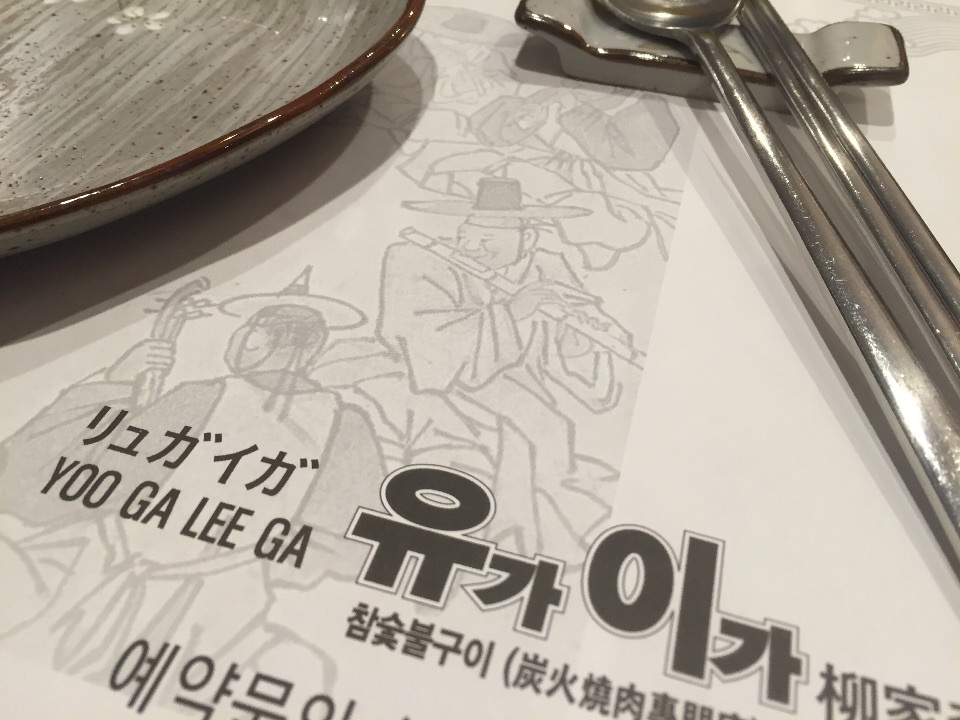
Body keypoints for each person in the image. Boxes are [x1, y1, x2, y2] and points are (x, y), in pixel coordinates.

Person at [0, 269, 385, 683]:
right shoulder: (347, 424)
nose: (241, 337)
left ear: (275, 341)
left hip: (178, 595)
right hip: (211, 599)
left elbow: (60, 476)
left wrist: (116, 382)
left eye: (253, 327)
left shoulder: (203, 398)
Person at [377, 177, 629, 562]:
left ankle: (536, 543)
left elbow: (581, 359)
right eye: (467, 236)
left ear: (527, 239)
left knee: (550, 429)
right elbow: (426, 348)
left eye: (487, 240)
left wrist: (587, 337)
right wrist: (511, 313)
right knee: (509, 439)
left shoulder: (545, 265)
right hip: (425, 384)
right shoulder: (416, 257)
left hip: (516, 390)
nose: (471, 248)